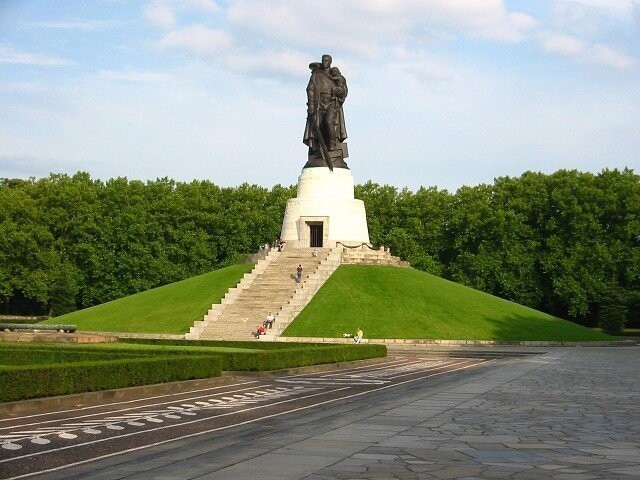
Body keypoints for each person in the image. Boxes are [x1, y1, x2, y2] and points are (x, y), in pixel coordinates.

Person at [303, 54, 348, 155]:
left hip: (331, 103)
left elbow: (343, 90)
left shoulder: (334, 74)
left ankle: (332, 145)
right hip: (318, 104)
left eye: (326, 60)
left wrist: (338, 90)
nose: (324, 62)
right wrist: (311, 105)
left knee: (328, 122)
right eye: (323, 60)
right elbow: (310, 89)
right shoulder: (316, 75)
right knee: (317, 126)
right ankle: (318, 148)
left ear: (330, 62)